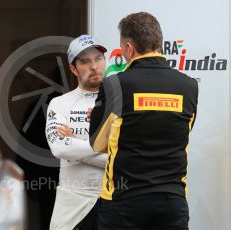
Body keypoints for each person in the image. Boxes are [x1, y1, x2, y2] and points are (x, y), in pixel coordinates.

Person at [89, 12, 198, 230]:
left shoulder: (114, 86)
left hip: (124, 202)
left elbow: (97, 144)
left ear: (129, 48)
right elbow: (181, 132)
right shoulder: (189, 86)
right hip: (172, 202)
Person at [45, 34, 108, 230]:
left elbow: (128, 156)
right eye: (85, 61)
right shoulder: (59, 103)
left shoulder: (118, 104)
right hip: (71, 208)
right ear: (73, 68)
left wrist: (74, 142)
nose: (94, 66)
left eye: (98, 58)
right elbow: (60, 149)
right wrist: (106, 149)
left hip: (112, 203)